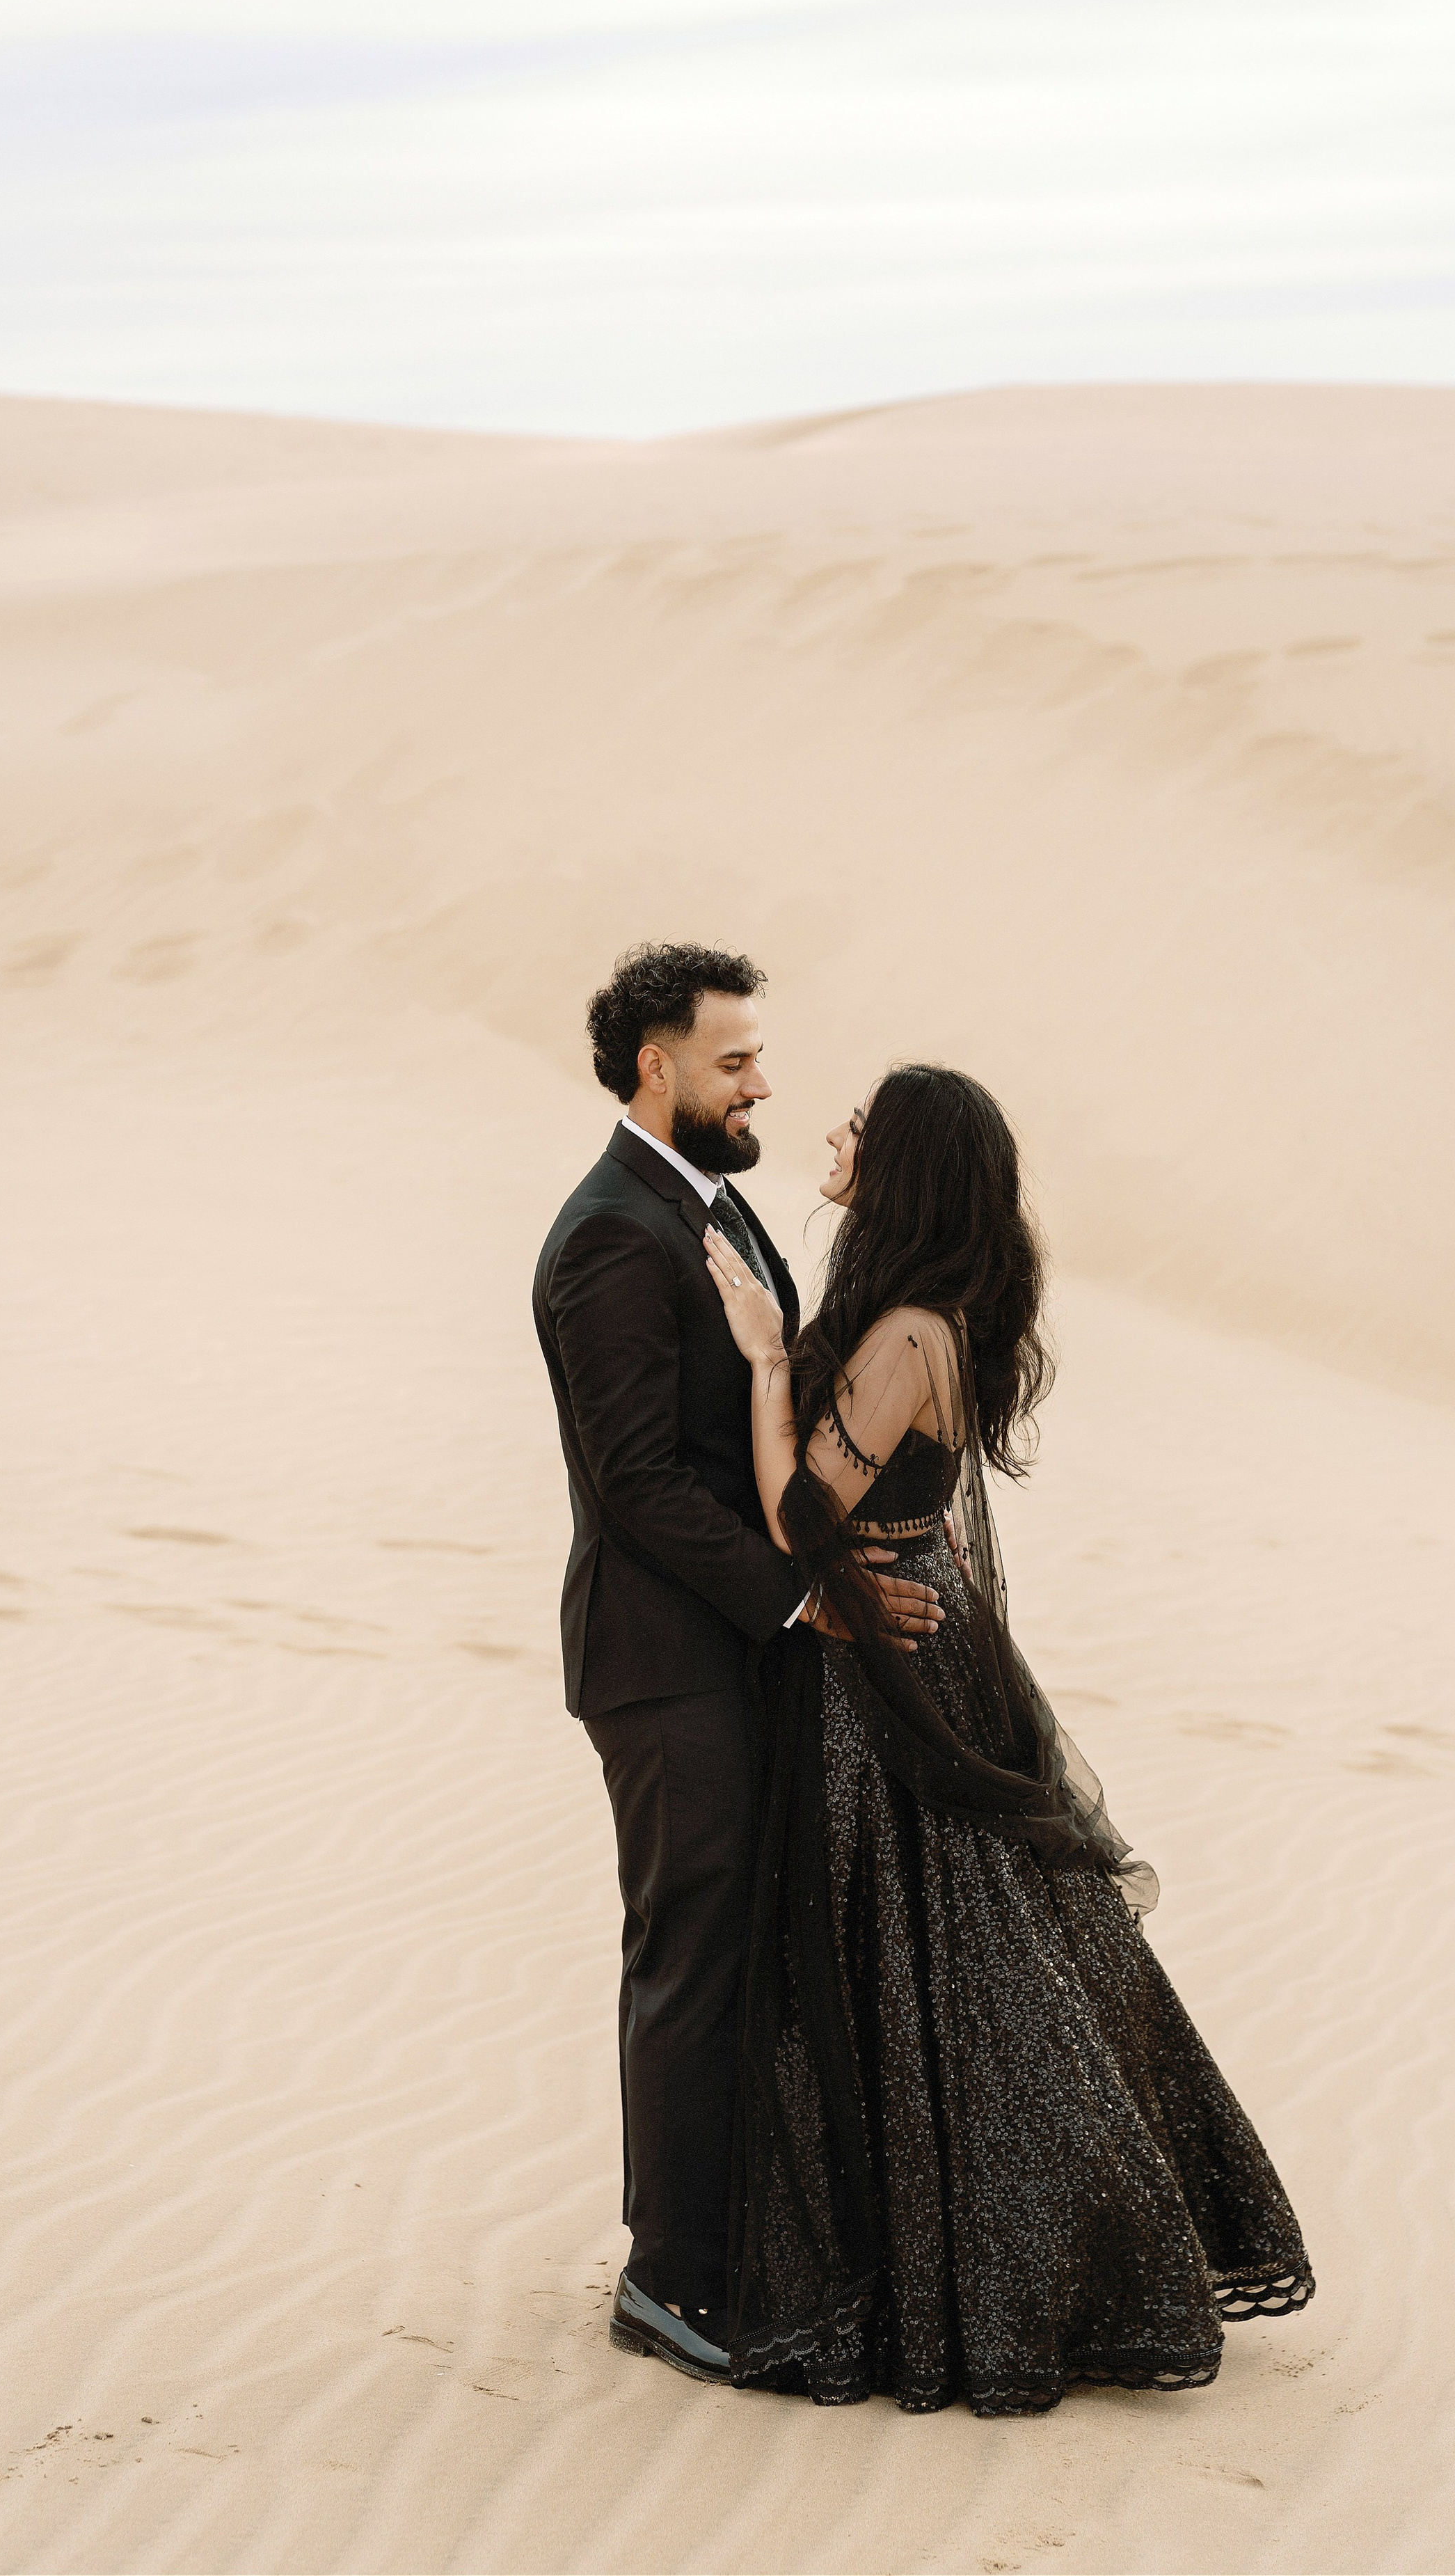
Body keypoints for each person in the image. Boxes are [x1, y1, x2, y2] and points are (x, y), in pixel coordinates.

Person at [703, 1063, 1314, 2415]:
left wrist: (764, 1363)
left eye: (861, 1125)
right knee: (953, 1955)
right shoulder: (918, 1316)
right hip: (906, 1637)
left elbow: (801, 1517)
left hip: (891, 1668)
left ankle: (1026, 2264)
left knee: (942, 1961)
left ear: (907, 1167)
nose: (833, 1131)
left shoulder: (910, 1334)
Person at [532, 945, 943, 2383]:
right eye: (733, 1060)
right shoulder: (609, 1234)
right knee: (689, 1957)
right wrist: (802, 1596)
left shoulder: (712, 1205)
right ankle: (671, 2279)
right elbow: (638, 1480)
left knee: (740, 1954)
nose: (762, 1081)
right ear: (655, 1067)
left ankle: (743, 2245)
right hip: (663, 1662)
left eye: (759, 1055)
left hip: (738, 1653)